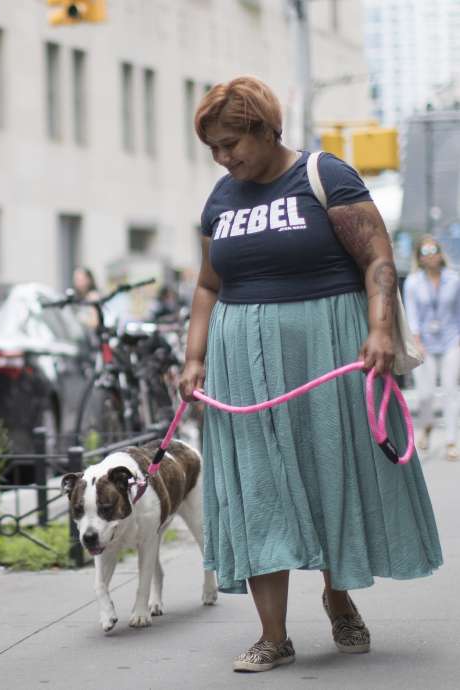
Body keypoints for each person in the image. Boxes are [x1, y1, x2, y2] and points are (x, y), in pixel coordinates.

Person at [179, 77, 442, 673]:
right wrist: (193, 359)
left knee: (329, 474)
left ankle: (338, 597)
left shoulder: (324, 176)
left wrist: (379, 329)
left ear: (266, 129)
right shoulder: (220, 200)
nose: (224, 158)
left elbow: (377, 257)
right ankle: (273, 635)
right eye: (214, 149)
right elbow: (206, 285)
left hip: (327, 353)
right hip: (239, 366)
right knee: (258, 490)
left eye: (231, 143)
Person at [402, 235, 460, 460]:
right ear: (419, 257)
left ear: (440, 253)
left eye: (434, 251)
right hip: (422, 343)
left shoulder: (454, 280)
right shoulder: (413, 282)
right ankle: (426, 425)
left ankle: (450, 441)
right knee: (425, 394)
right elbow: (412, 314)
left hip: (450, 341)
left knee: (449, 391)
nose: (431, 256)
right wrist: (416, 340)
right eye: (425, 252)